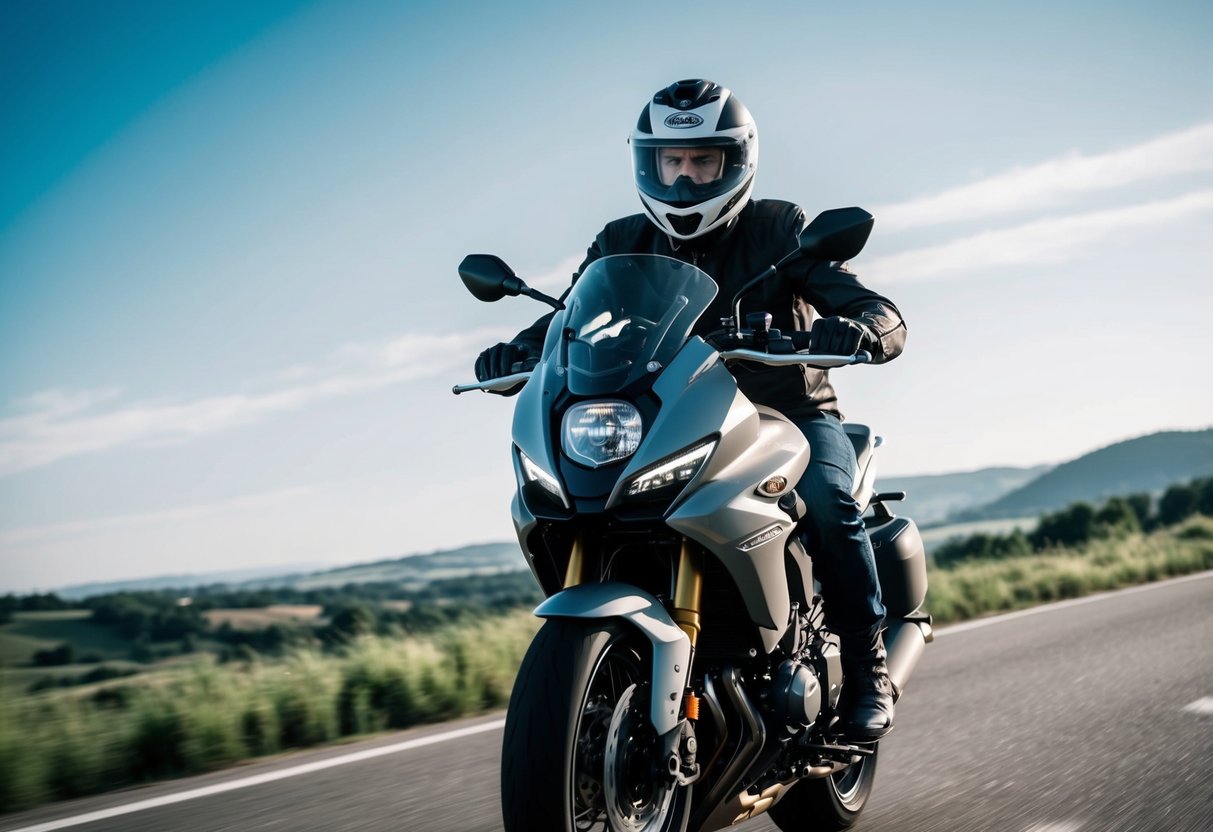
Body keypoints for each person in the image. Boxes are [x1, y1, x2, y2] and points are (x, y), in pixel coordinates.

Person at [474, 79, 906, 740]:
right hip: (667, 421)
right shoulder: (621, 241)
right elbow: (568, 321)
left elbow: (872, 307)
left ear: (734, 162)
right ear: (646, 164)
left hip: (783, 417)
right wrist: (517, 351)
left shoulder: (780, 230)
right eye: (669, 162)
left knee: (826, 500)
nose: (683, 177)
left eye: (702, 160)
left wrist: (864, 329)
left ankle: (866, 667)